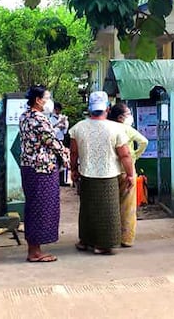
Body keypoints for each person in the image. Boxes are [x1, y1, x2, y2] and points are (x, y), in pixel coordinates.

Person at [69, 91, 135, 255]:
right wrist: (131, 174)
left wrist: (73, 170)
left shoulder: (77, 128)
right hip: (108, 176)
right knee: (108, 211)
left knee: (87, 210)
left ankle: (85, 241)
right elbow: (125, 155)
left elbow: (74, 154)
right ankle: (104, 245)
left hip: (87, 175)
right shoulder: (115, 128)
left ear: (89, 108)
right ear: (107, 107)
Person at [19, 86, 70, 263]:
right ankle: (35, 251)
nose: (50, 102)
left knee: (33, 205)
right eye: (47, 98)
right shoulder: (39, 119)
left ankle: (34, 248)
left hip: (28, 166)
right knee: (42, 207)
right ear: (38, 100)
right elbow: (51, 141)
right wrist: (66, 156)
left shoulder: (25, 116)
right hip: (42, 168)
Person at [106, 102, 148, 248]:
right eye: (128, 114)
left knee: (111, 205)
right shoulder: (127, 129)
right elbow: (144, 141)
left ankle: (110, 236)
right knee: (128, 206)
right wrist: (135, 155)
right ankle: (126, 238)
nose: (130, 117)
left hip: (110, 171)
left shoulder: (107, 127)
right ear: (120, 117)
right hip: (127, 170)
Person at [50, 102, 70, 185]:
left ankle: (62, 181)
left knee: (62, 160)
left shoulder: (62, 118)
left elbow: (65, 131)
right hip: (53, 141)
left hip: (61, 140)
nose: (58, 111)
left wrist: (65, 123)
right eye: (57, 109)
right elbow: (50, 130)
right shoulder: (50, 119)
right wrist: (58, 124)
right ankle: (54, 180)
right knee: (54, 160)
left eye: (59, 110)